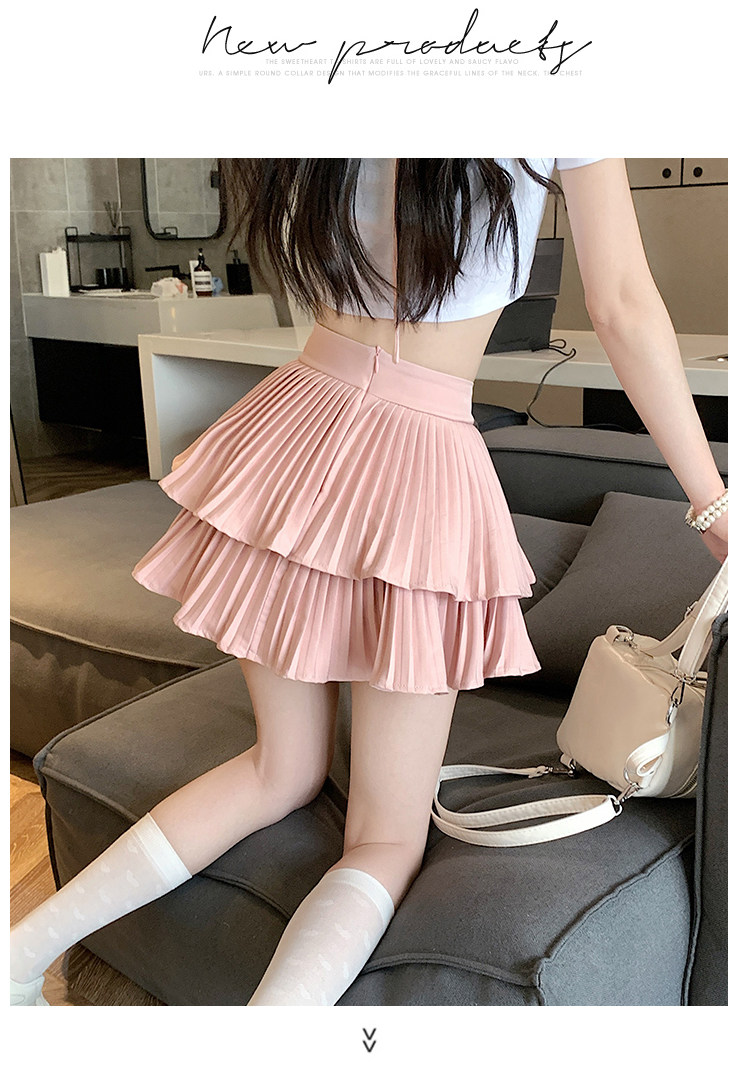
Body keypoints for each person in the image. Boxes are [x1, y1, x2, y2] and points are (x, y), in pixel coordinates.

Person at [10, 158, 728, 1007]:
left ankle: (21, 954)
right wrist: (713, 504)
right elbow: (623, 305)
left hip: (292, 425)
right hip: (420, 458)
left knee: (278, 768)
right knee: (386, 838)